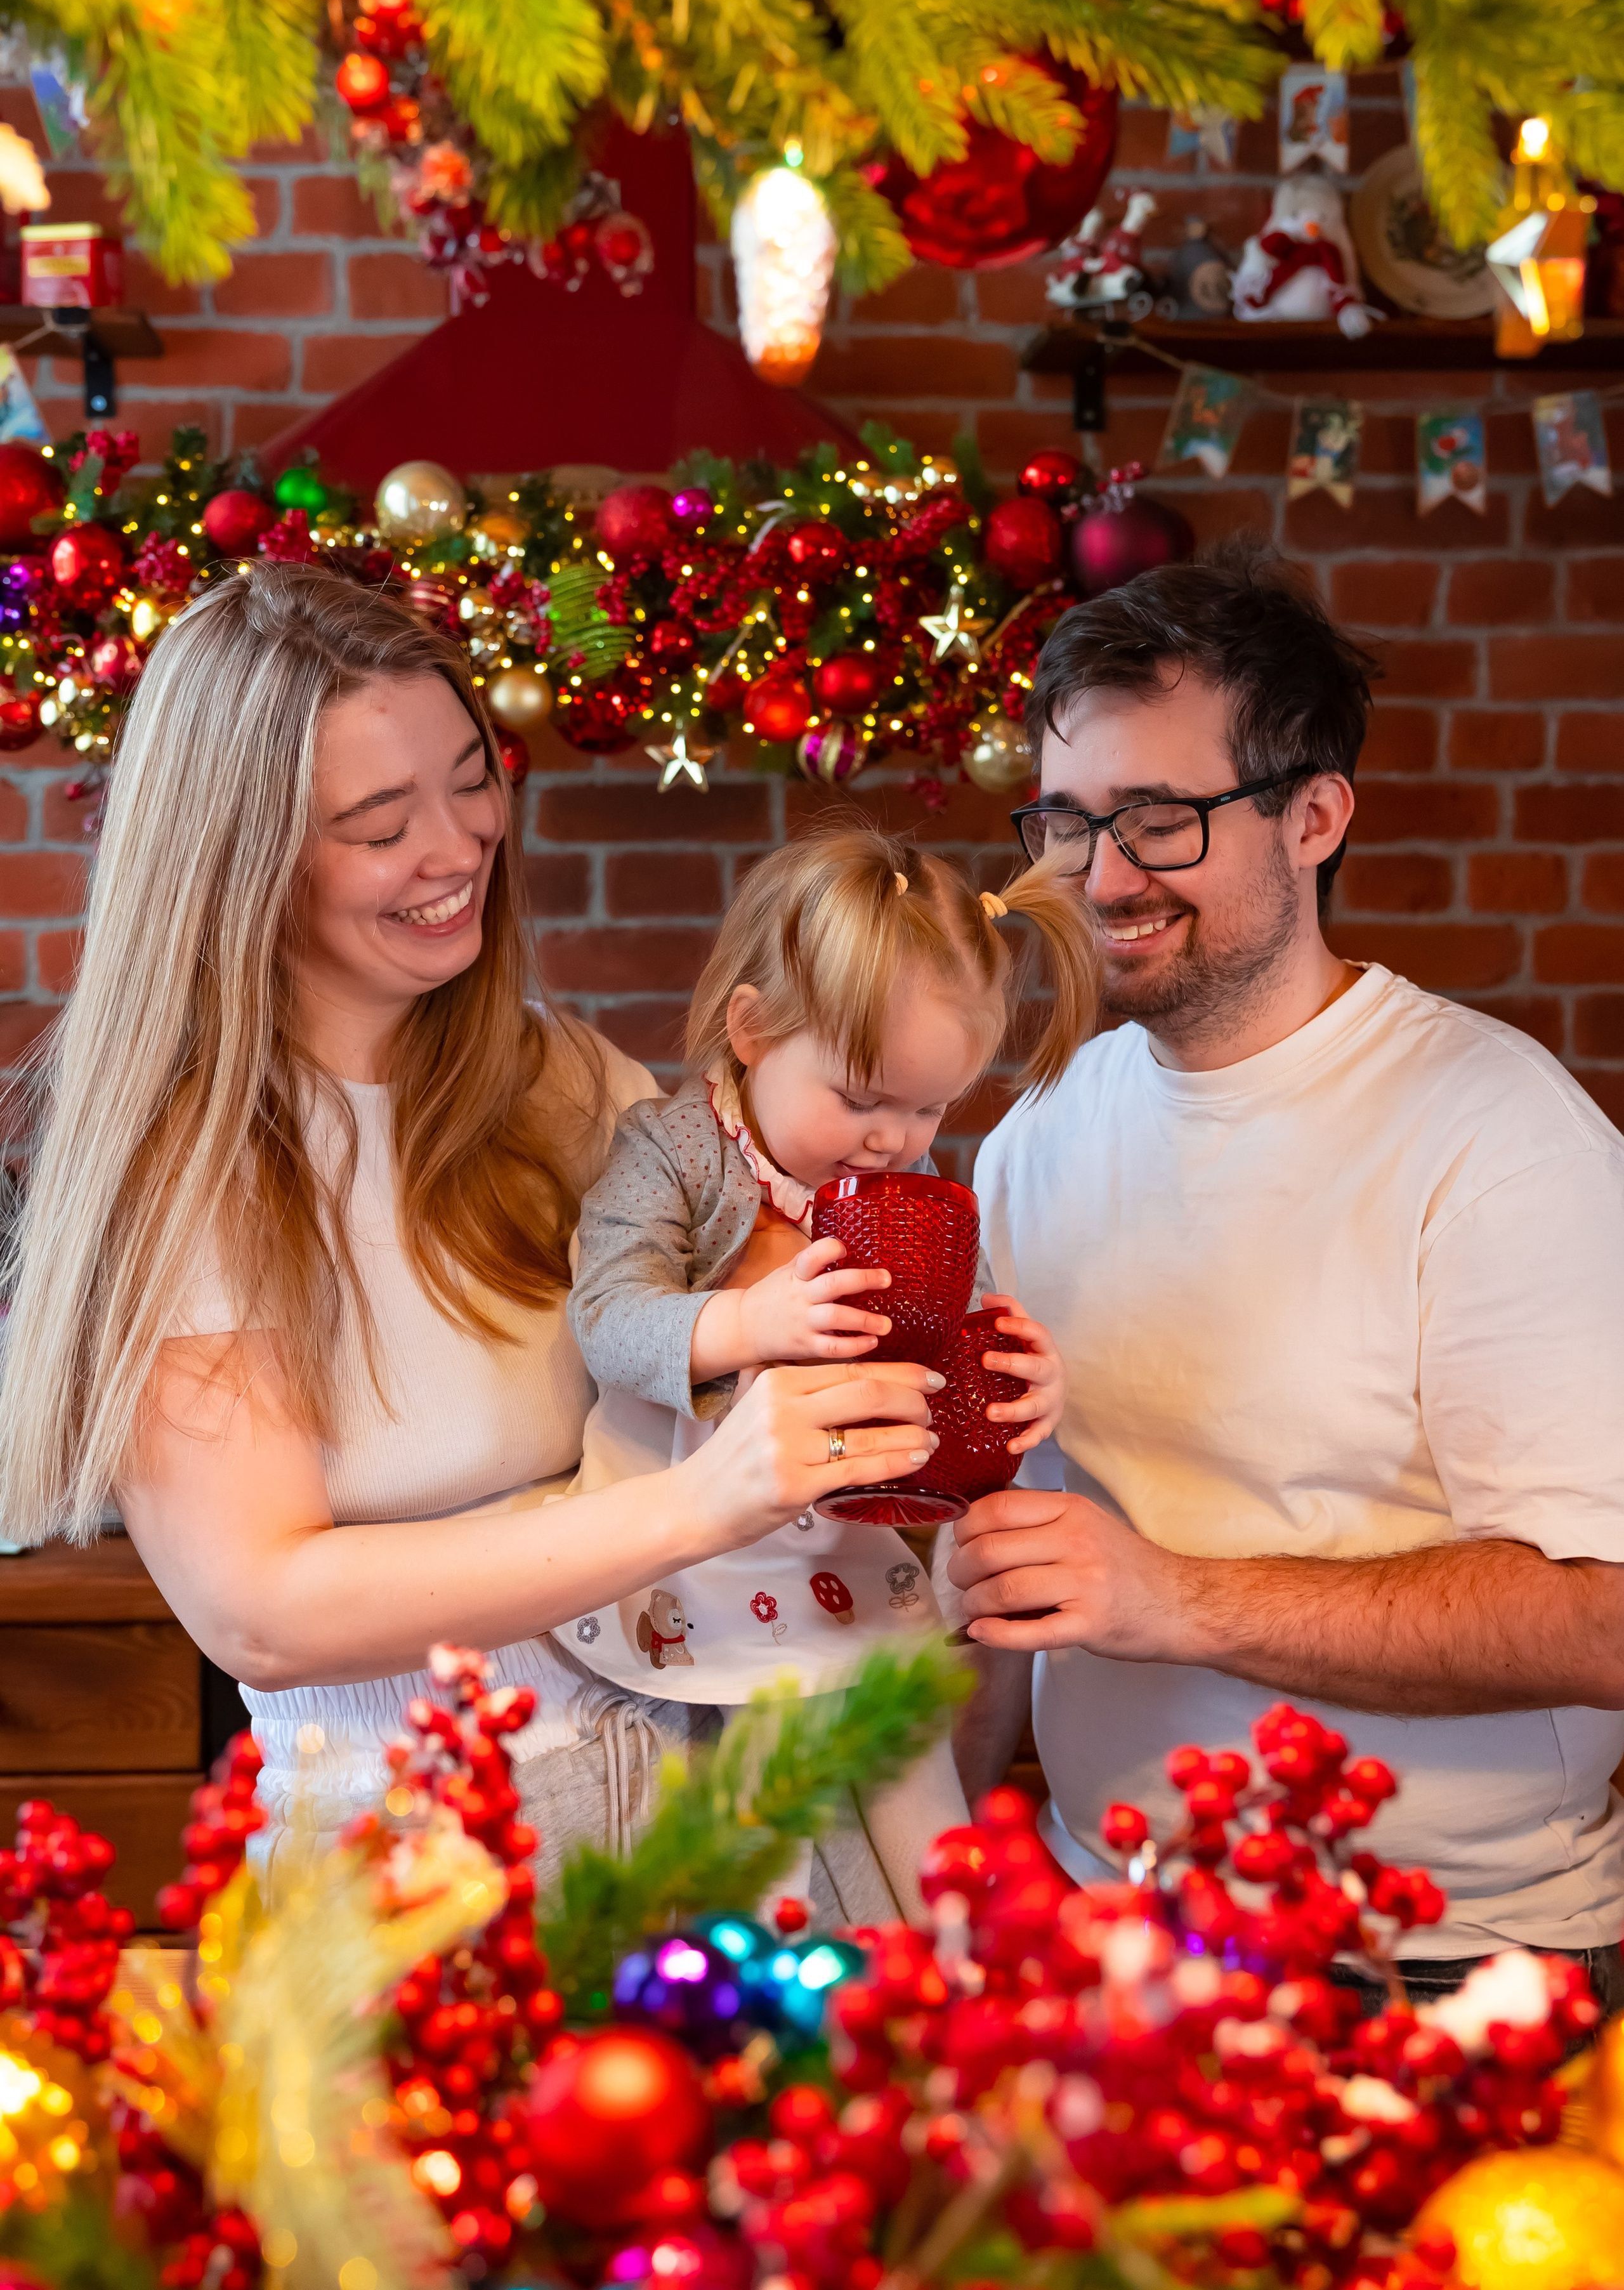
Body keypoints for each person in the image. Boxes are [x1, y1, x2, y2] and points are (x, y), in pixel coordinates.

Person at [0, 564, 943, 1880]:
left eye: (469, 777)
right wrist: (697, 1506)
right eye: (381, 821)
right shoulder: (185, 1169)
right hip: (411, 1857)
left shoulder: (567, 1082)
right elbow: (265, 1613)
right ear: (241, 859)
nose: (456, 847)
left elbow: (740, 1355)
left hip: (699, 1803)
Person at [950, 538, 1624, 2006]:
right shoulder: (1037, 1132)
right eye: (1066, 824)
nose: (1100, 877)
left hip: (1440, 1964)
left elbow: (1599, 1613)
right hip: (1099, 1920)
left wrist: (1175, 1599)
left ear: (1311, 814)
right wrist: (923, 1856)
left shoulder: (1497, 1134)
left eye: (1157, 820)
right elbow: (1019, 1541)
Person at [561, 825, 1086, 1914]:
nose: (897, 1139)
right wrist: (748, 1323)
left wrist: (1013, 1376)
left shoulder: (906, 1190)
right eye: (861, 1097)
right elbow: (606, 1317)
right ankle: (781, 1983)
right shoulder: (672, 1152)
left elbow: (948, 1348)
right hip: (694, 1543)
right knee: (753, 1805)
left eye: (930, 1107)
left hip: (845, 1541)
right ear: (751, 1030)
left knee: (910, 1791)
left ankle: (949, 1979)